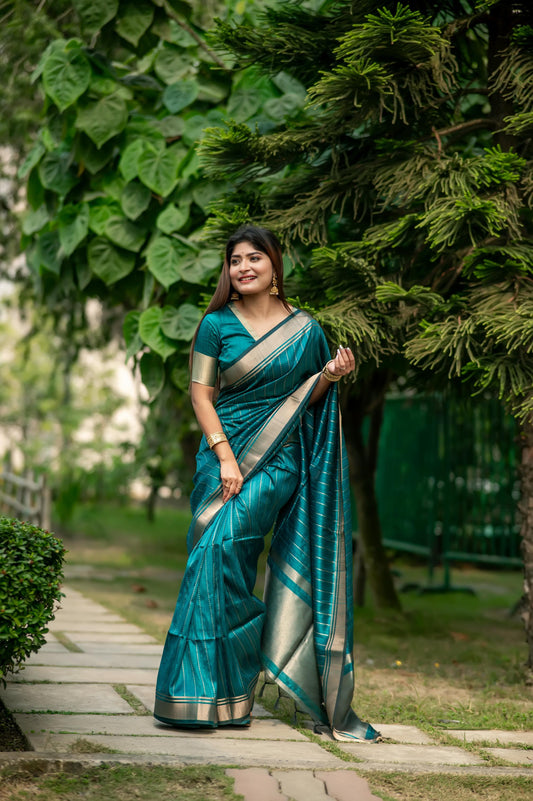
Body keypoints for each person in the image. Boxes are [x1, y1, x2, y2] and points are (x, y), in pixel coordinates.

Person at [154, 225, 381, 743]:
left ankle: (220, 690)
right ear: (228, 271)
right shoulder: (215, 325)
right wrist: (226, 457)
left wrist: (330, 374)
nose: (244, 267)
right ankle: (210, 697)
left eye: (255, 258)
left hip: (277, 463)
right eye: (235, 260)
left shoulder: (305, 330)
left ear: (275, 266)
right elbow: (202, 397)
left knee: (220, 555)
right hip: (221, 460)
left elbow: (309, 401)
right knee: (214, 563)